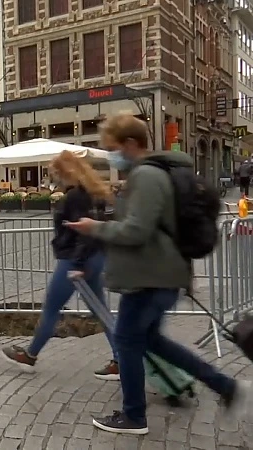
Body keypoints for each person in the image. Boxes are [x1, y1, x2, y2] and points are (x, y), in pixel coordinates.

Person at [65, 114, 251, 435]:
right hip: (159, 273)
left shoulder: (147, 176)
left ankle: (134, 416)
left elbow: (137, 230)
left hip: (150, 275)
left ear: (131, 144)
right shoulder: (155, 172)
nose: (112, 155)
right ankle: (227, 387)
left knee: (126, 341)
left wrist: (94, 227)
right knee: (152, 340)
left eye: (113, 148)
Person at [2, 150, 119, 380]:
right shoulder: (96, 193)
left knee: (52, 308)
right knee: (101, 311)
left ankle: (31, 355)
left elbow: (81, 231)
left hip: (75, 259)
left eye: (55, 173)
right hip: (94, 256)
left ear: (66, 172)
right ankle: (121, 359)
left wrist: (78, 263)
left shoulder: (75, 196)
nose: (54, 178)